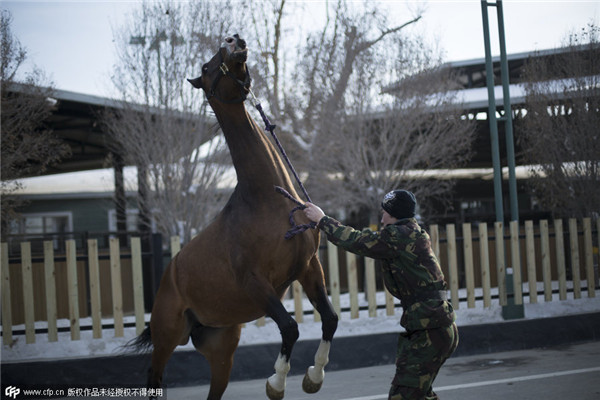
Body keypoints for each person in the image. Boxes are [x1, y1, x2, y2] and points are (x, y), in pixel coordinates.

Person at [303, 190, 458, 400]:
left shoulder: (398, 235)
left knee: (402, 395)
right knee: (419, 394)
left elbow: (357, 241)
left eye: (385, 212)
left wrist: (322, 220)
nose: (382, 218)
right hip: (435, 325)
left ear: (394, 214)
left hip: (429, 330)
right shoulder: (411, 232)